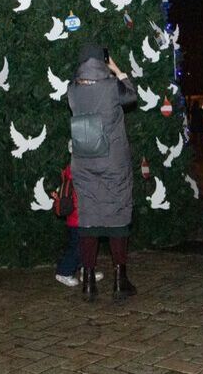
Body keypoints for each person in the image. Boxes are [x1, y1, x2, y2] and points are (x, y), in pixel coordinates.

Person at [67, 41, 139, 301]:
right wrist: (117, 70)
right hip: (113, 162)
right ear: (102, 60)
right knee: (117, 216)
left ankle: (88, 281)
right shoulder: (112, 87)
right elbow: (132, 96)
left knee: (88, 218)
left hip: (84, 161)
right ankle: (120, 280)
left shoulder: (72, 90)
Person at [51, 162, 104, 288]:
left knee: (85, 245)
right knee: (79, 247)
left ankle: (86, 270)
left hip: (80, 217)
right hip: (80, 218)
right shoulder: (80, 171)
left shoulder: (76, 170)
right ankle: (64, 271)